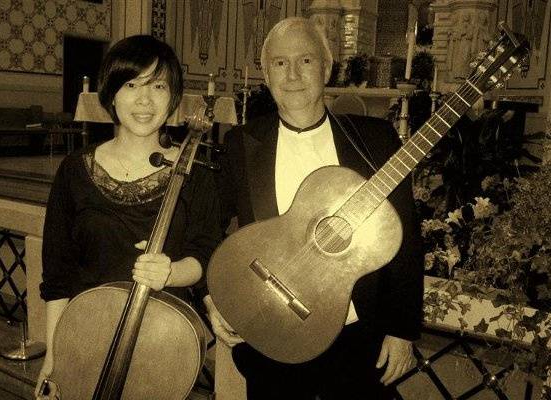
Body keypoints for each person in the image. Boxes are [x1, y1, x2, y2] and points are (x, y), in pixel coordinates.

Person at [203, 17, 424, 399]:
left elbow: (405, 237)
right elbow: (204, 227)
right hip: (273, 336)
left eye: (305, 60)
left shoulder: (374, 139)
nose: (292, 74)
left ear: (327, 67)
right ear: (266, 73)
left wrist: (401, 330)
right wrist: (213, 297)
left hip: (359, 338)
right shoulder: (242, 144)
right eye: (279, 63)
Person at [35, 35, 221, 395]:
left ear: (173, 98)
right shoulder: (74, 171)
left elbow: (206, 253)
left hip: (163, 341)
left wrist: (171, 272)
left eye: (158, 85)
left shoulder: (195, 175)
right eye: (132, 84)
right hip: (85, 335)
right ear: (111, 93)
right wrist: (54, 358)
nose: (144, 100)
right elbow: (58, 275)